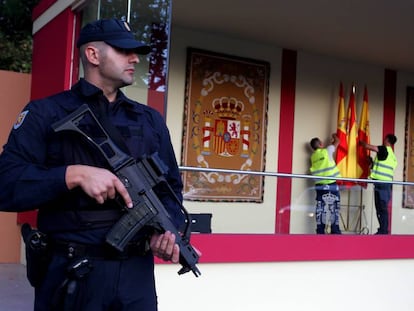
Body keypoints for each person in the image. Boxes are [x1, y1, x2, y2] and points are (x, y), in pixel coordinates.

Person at [0, 18, 193, 311]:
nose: (134, 59)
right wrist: (70, 175)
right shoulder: (44, 112)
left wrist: (167, 232)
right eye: (123, 51)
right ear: (92, 55)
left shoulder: (149, 120)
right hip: (72, 273)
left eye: (135, 52)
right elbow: (5, 184)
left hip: (135, 277)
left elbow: (171, 190)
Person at [359, 134, 397, 235]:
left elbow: (369, 147)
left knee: (382, 208)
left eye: (384, 139)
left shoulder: (384, 149)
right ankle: (382, 230)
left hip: (382, 185)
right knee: (380, 208)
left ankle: (383, 231)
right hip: (385, 185)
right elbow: (379, 167)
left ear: (387, 140)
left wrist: (361, 142)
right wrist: (371, 162)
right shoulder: (392, 155)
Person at [309, 133, 342, 234]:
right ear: (320, 144)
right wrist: (334, 135)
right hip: (331, 184)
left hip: (320, 185)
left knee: (321, 208)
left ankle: (320, 231)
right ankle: (335, 230)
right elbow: (338, 141)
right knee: (334, 207)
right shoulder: (327, 151)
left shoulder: (313, 157)